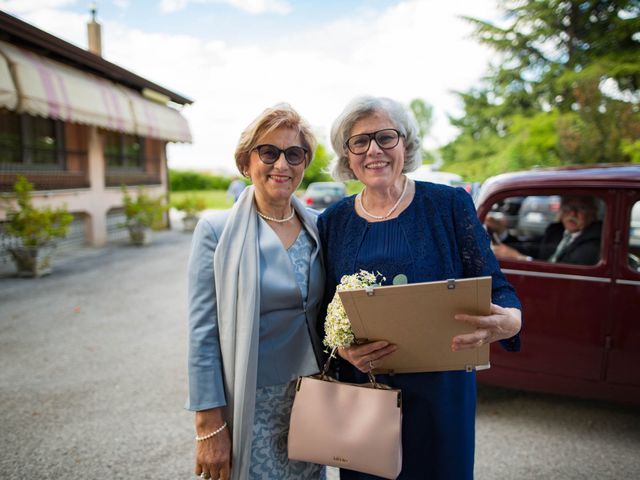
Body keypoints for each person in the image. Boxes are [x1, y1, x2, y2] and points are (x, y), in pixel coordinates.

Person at [317, 96, 522, 480]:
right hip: (366, 392)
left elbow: (497, 286)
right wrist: (343, 349)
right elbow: (323, 310)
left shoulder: (449, 205)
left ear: (406, 144)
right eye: (359, 142)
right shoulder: (333, 222)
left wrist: (511, 320)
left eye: (385, 137)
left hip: (442, 394)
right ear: (347, 156)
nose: (373, 150)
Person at [186, 104, 326, 480]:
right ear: (247, 162)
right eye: (269, 152)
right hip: (251, 401)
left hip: (314, 400)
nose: (281, 164)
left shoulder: (319, 227)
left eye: (293, 154)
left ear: (303, 164)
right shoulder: (215, 232)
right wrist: (208, 426)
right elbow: (203, 334)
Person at [491, 196, 602, 265]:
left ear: (592, 213)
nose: (572, 214)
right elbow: (534, 247)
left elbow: (566, 272)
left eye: (580, 208)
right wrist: (502, 234)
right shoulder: (557, 231)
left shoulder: (594, 240)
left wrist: (519, 258)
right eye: (567, 207)